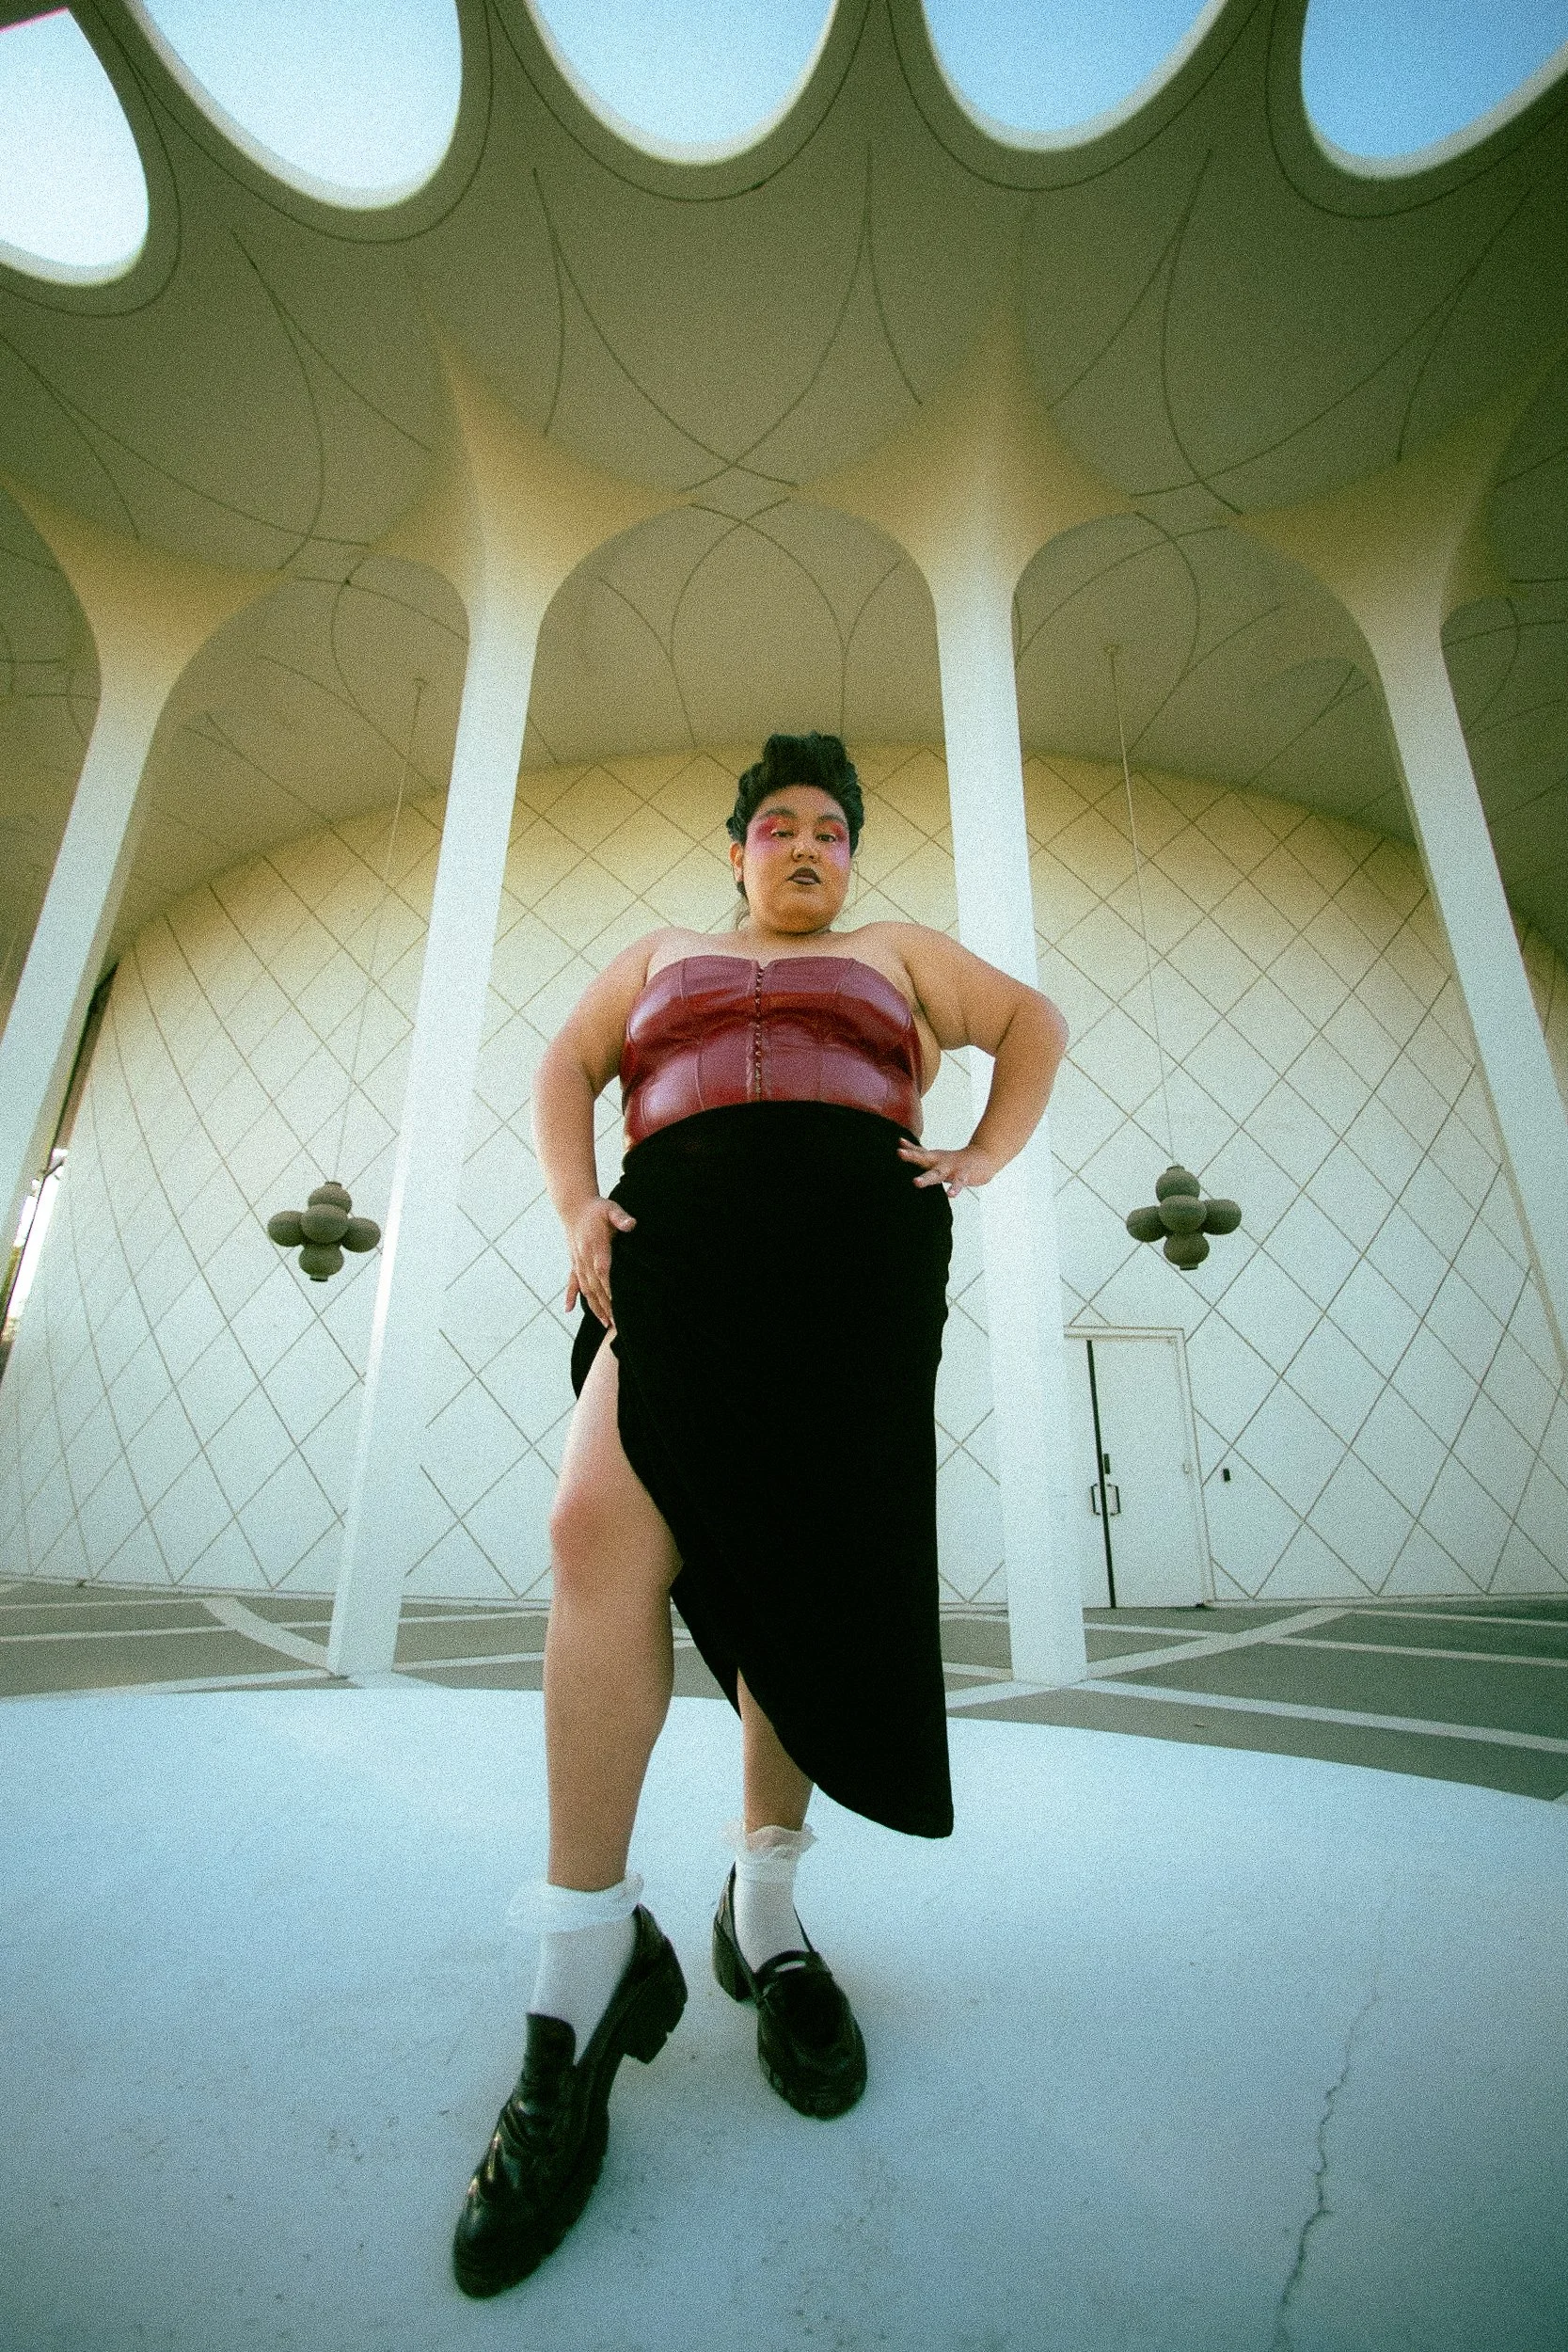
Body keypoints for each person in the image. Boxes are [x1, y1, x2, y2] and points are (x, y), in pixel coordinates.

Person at [451, 732, 1068, 2297]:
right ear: (733, 850)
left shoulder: (896, 954)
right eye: (777, 825)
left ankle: (767, 1915)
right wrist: (578, 1202)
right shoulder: (655, 955)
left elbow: (1032, 1020)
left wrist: (982, 1153)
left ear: (851, 861)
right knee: (594, 1531)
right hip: (683, 1250)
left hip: (850, 1267)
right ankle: (580, 1969)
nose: (804, 845)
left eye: (829, 831)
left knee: (794, 1584)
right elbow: (559, 1068)